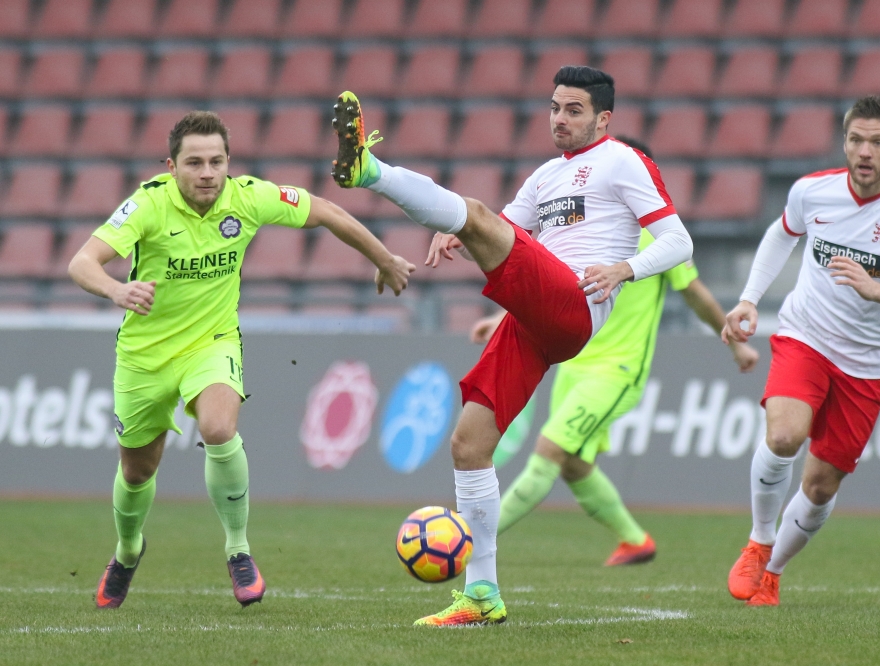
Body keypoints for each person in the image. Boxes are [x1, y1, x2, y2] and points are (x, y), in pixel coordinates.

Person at [331, 67, 694, 625]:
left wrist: (625, 268)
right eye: (554, 108)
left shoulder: (624, 160)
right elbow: (508, 232)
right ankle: (482, 596)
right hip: (536, 318)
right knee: (469, 444)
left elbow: (678, 240)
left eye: (573, 110)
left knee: (472, 213)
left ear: (603, 118)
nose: (559, 119)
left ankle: (370, 170)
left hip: (575, 305)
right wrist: (458, 232)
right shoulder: (547, 176)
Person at [68, 111, 414, 609]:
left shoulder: (248, 196)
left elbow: (327, 211)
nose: (207, 172)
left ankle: (238, 550)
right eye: (194, 163)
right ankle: (127, 551)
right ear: (172, 166)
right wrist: (116, 290)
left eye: (216, 161)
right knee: (138, 471)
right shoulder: (147, 204)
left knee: (218, 427)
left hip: (213, 343)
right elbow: (82, 262)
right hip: (144, 357)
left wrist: (382, 257)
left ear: (229, 162)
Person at [469, 137, 759, 566]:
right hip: (573, 362)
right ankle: (634, 540)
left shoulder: (656, 237)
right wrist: (499, 321)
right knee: (571, 464)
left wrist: (735, 346)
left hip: (616, 371)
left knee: (548, 452)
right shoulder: (586, 228)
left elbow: (695, 294)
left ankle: (469, 544)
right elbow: (549, 291)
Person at [722, 96, 880, 607]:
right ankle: (759, 543)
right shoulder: (812, 191)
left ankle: (774, 572)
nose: (865, 152)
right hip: (806, 334)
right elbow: (781, 234)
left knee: (822, 485)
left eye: (877, 142)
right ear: (844, 142)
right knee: (784, 435)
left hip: (866, 362)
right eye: (856, 140)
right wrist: (748, 298)